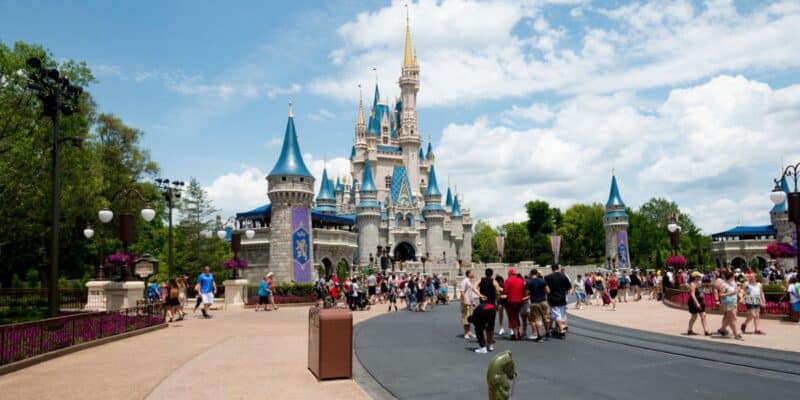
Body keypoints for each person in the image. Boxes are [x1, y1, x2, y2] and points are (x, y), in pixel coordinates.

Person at [544, 264, 572, 339]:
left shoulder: (547, 277)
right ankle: (558, 329)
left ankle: (562, 331)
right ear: (558, 268)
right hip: (562, 298)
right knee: (561, 314)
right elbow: (569, 287)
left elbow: (545, 289)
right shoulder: (564, 277)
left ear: (552, 269)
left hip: (552, 298)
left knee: (556, 315)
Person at [717, 270, 742, 340]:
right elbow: (721, 295)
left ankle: (722, 329)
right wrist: (730, 293)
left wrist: (739, 295)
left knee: (730, 318)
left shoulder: (733, 283)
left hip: (733, 302)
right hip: (727, 303)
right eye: (733, 276)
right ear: (730, 277)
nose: (734, 277)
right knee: (733, 318)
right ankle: (736, 334)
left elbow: (736, 292)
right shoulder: (724, 285)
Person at [478, 268, 500, 347]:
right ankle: (490, 343)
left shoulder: (481, 280)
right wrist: (497, 304)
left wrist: (480, 295)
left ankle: (485, 342)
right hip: (491, 305)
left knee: (483, 324)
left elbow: (473, 287)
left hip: (482, 305)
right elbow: (497, 293)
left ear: (485, 273)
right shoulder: (494, 281)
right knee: (491, 325)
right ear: (492, 274)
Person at [526, 269, 550, 342]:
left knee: (536, 319)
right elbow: (548, 291)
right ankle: (547, 332)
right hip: (543, 301)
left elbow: (526, 293)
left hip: (534, 303)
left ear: (531, 273)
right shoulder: (542, 281)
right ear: (537, 273)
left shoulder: (528, 282)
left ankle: (539, 336)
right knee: (546, 318)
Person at [502, 268, 525, 340]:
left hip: (511, 301)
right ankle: (518, 333)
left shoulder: (508, 280)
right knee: (517, 316)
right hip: (520, 301)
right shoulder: (521, 280)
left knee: (512, 318)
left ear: (509, 274)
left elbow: (505, 291)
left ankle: (516, 335)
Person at [686, 271, 709, 336]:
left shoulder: (699, 283)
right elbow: (692, 294)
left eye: (699, 276)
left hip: (700, 301)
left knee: (703, 316)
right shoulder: (692, 284)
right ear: (695, 277)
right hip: (694, 302)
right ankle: (689, 330)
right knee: (694, 316)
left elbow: (701, 292)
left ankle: (706, 330)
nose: (699, 277)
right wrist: (697, 303)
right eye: (698, 276)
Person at [460, 270, 479, 340]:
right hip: (465, 302)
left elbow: (470, 292)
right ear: (468, 274)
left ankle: (469, 332)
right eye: (472, 273)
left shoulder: (469, 281)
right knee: (465, 317)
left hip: (469, 302)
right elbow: (462, 291)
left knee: (470, 317)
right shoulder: (464, 281)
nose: (473, 274)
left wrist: (472, 301)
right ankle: (466, 333)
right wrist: (465, 300)